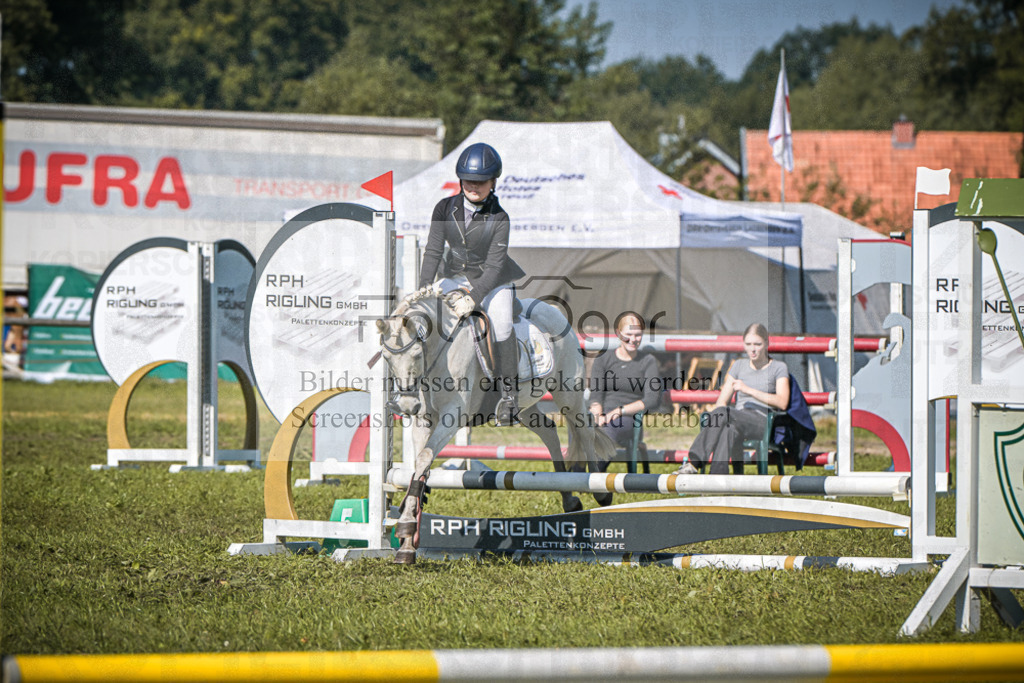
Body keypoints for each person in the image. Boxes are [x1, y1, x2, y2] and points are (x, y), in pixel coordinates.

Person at [418, 142, 526, 426]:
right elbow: (432, 251)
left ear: (493, 182)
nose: (473, 187)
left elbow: (493, 267)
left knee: (501, 323)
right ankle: (414, 388)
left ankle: (508, 396)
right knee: (421, 317)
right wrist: (423, 288)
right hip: (453, 275)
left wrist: (474, 297)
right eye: (468, 181)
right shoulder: (444, 208)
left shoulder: (500, 218)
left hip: (493, 281)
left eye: (480, 182)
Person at [677, 322, 790, 474]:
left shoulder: (778, 367)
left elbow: (782, 402)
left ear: (766, 344)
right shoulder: (738, 366)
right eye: (748, 344)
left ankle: (693, 463)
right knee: (727, 428)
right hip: (737, 418)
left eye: (757, 344)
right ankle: (717, 478)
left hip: (764, 420)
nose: (753, 349)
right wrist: (715, 423)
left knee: (725, 414)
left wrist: (748, 390)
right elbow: (721, 402)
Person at [588, 313, 661, 470]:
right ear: (618, 333)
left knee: (610, 427)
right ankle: (577, 475)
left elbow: (652, 399)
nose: (633, 340)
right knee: (582, 423)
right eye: (628, 335)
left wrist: (618, 412)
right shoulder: (603, 359)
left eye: (638, 335)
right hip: (604, 412)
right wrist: (597, 416)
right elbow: (596, 394)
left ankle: (594, 473)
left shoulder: (648, 361)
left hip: (629, 416)